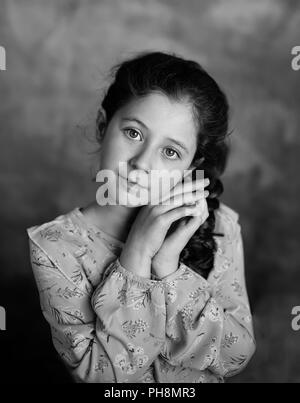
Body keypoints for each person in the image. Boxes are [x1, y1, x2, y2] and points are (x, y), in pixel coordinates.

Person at [26, 51, 256, 383]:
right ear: (103, 126)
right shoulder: (54, 246)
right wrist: (136, 253)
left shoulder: (220, 226)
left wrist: (168, 268)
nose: (143, 164)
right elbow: (102, 378)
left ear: (191, 166)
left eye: (170, 152)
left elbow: (236, 355)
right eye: (133, 133)